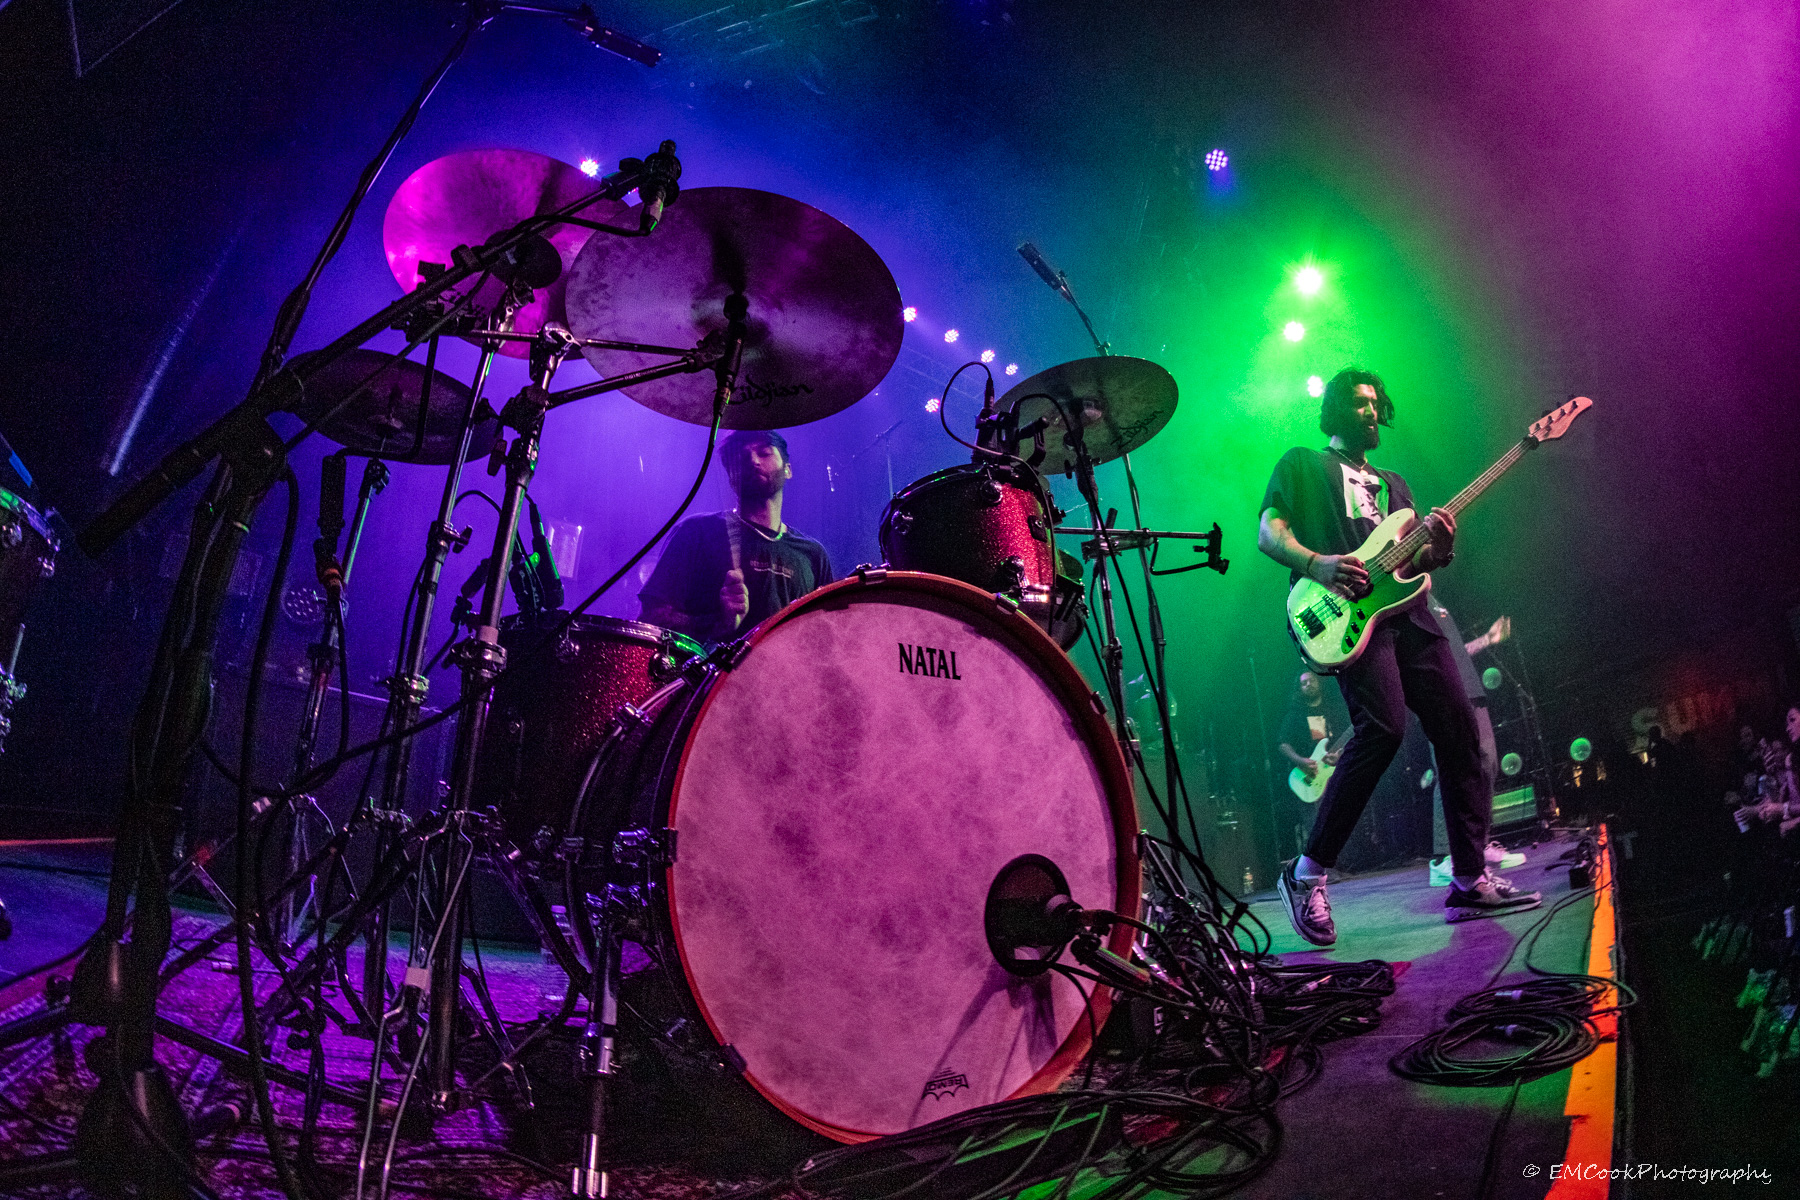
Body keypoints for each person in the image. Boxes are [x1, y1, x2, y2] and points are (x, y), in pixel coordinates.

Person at [1257, 367, 1540, 945]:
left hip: (1411, 616)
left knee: (1460, 731)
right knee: (1383, 729)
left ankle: (1468, 878)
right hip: (1349, 616)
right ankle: (1307, 873)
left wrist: (1441, 549)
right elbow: (1269, 534)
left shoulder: (1395, 485)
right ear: (1336, 410)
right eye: (1359, 402)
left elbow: (1417, 565)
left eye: (1375, 403)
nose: (1371, 410)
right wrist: (1317, 563)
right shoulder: (1303, 464)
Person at [638, 429, 832, 642]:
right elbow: (651, 620)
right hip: (712, 665)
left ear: (788, 469)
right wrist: (718, 622)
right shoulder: (696, 532)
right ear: (731, 477)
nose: (753, 461)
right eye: (742, 457)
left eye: (764, 452)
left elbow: (826, 635)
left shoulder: (812, 554)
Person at [1275, 671, 1352, 857]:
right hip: (1307, 776)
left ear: (1319, 682)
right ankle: (1320, 864)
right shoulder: (1295, 715)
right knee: (1315, 824)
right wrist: (1300, 761)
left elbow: (1347, 738)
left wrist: (1340, 754)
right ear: (1299, 689)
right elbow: (1283, 744)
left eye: (1311, 680)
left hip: (1333, 773)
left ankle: (1343, 861)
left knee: (1339, 818)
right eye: (1304, 683)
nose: (1308, 685)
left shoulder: (1333, 710)